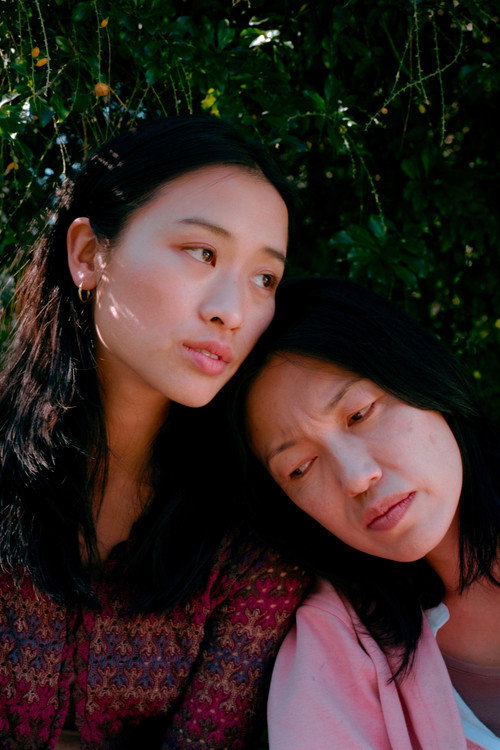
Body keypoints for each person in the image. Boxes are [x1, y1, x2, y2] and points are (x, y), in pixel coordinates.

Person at [0, 116, 309, 749]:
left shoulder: (255, 538)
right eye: (202, 252)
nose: (232, 312)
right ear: (88, 255)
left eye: (264, 279)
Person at [230, 277, 500, 749]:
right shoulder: (334, 644)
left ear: (420, 374)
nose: (356, 478)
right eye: (300, 469)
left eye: (359, 413)